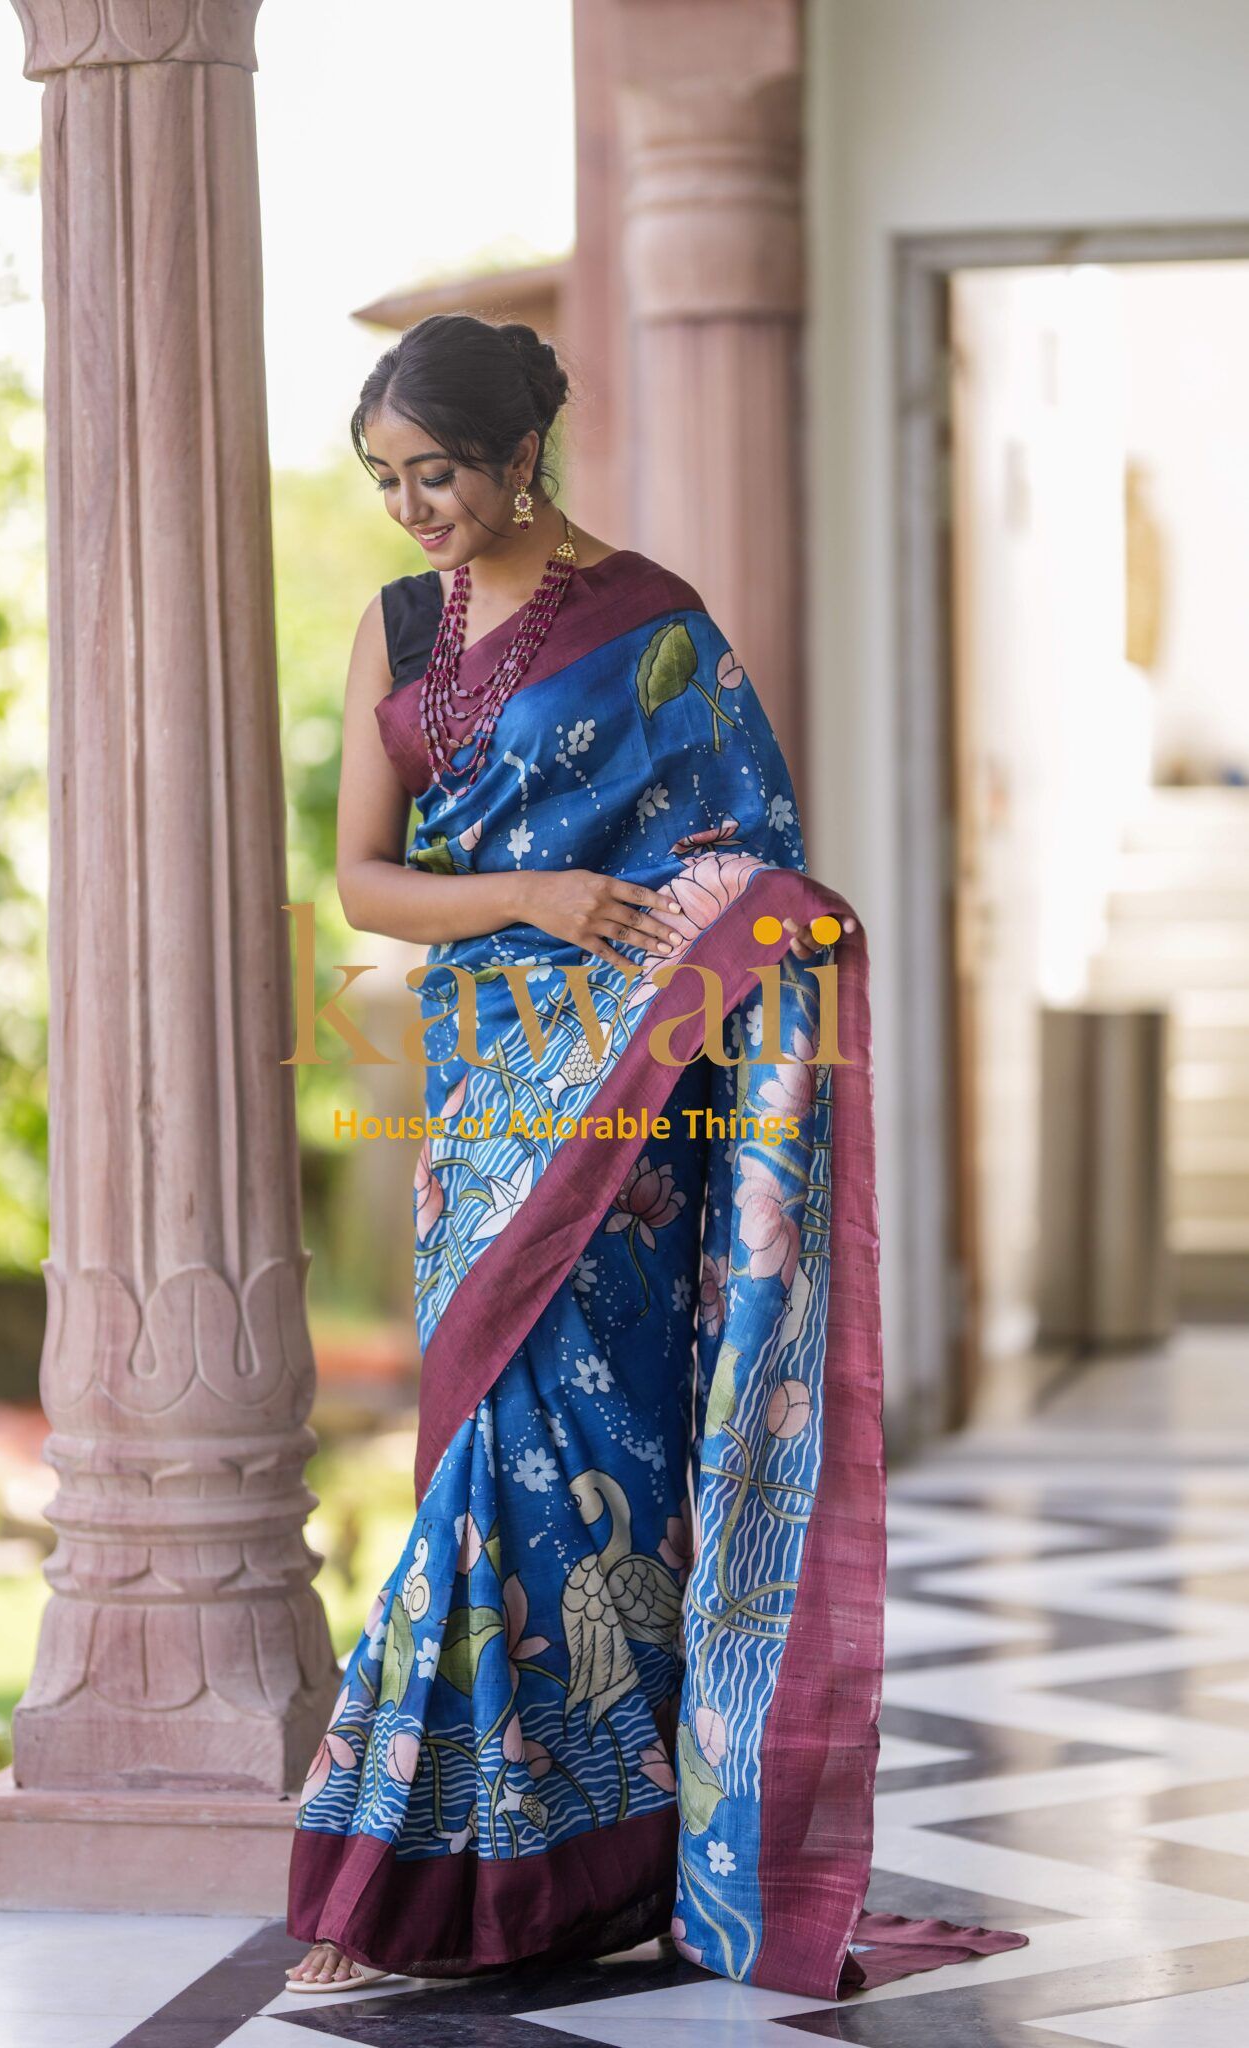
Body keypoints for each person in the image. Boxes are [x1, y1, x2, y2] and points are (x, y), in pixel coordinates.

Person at [284, 313, 1025, 1999]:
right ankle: (493, 1864)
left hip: (635, 1102)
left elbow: (749, 867)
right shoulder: (395, 625)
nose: (412, 510)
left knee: (577, 1448)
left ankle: (470, 1876)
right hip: (484, 1097)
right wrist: (535, 897)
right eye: (386, 479)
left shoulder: (652, 624)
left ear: (518, 453)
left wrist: (671, 925)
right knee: (489, 1438)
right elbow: (365, 882)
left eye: (436, 474)